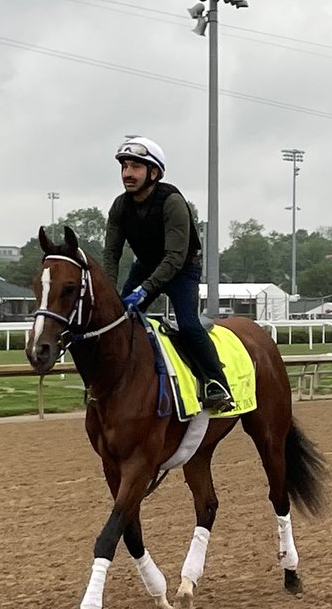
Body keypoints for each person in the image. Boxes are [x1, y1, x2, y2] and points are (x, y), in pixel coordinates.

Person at [101, 135, 235, 413]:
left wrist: (144, 290)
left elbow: (174, 258)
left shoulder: (172, 201)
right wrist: (110, 293)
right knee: (119, 323)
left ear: (154, 173)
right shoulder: (119, 206)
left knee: (187, 325)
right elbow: (111, 255)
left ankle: (216, 383)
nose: (127, 173)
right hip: (147, 266)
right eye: (124, 166)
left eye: (135, 167)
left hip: (182, 269)